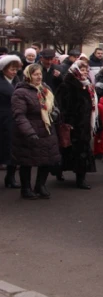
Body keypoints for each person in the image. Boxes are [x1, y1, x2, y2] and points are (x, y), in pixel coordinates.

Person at [11, 63, 62, 199]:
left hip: (46, 130)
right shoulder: (20, 92)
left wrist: (55, 112)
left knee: (46, 159)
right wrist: (28, 131)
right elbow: (19, 115)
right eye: (35, 74)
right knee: (26, 161)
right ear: (28, 76)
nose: (39, 77)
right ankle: (26, 188)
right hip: (29, 131)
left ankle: (40, 185)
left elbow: (53, 105)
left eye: (40, 74)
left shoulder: (45, 89)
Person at [54, 60, 98, 189]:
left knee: (82, 151)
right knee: (67, 149)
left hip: (84, 124)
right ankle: (59, 171)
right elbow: (62, 105)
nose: (84, 72)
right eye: (82, 70)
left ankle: (81, 178)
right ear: (75, 71)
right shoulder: (67, 85)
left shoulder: (87, 85)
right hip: (72, 125)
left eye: (86, 70)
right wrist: (67, 122)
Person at [1, 55, 22, 189]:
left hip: (14, 119)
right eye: (11, 69)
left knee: (14, 149)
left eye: (16, 69)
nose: (14, 72)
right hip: (2, 118)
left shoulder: (17, 81)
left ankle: (11, 176)